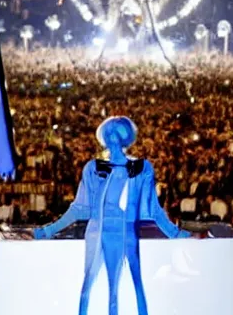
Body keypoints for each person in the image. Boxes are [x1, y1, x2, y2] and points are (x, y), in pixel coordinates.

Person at [33, 116, 190, 315]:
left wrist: (175, 233)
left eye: (115, 134)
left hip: (122, 232)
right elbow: (79, 208)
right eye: (110, 135)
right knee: (95, 285)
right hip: (99, 233)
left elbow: (153, 210)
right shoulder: (95, 168)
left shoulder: (140, 169)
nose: (113, 139)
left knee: (128, 284)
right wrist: (48, 230)